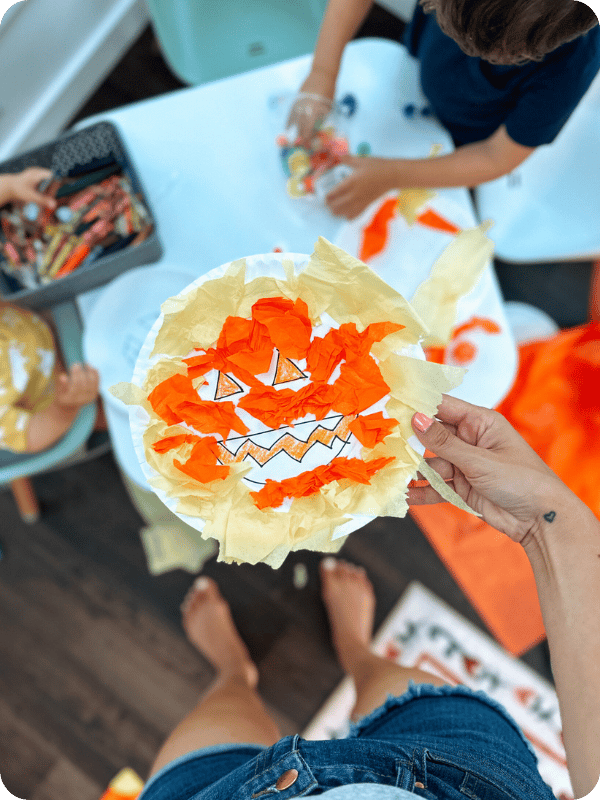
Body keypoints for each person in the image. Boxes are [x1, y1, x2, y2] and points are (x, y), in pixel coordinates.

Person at [137, 394, 600, 800]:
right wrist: (542, 523)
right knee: (386, 682)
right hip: (461, 777)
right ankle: (356, 651)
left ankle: (235, 669)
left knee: (226, 709)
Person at [292, 0, 600, 219]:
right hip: (410, 72)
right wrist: (322, 71)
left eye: (497, 58)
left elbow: (498, 156)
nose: (467, 50)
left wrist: (393, 175)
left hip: (463, 141)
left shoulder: (574, 60)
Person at [0, 168, 100, 453]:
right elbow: (30, 436)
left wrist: (10, 186)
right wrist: (64, 409)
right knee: (119, 410)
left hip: (42, 312)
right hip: (64, 386)